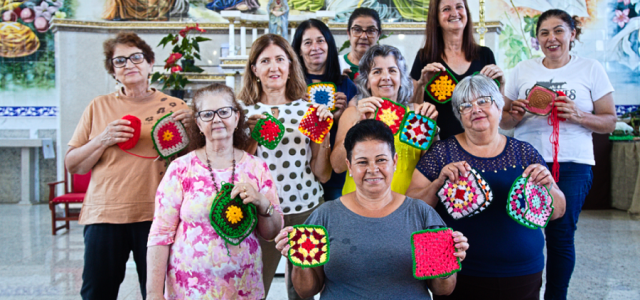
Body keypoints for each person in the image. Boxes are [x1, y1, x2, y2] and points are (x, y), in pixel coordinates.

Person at [406, 74, 567, 300]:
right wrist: (437, 184)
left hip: (522, 271)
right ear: (459, 114)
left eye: (484, 101)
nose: (476, 109)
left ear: (500, 107)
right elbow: (412, 208)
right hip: (458, 272)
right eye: (466, 105)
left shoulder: (524, 152)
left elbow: (558, 211)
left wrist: (548, 186)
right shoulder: (441, 153)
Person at [274, 119, 469, 299]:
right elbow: (306, 290)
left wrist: (450, 261)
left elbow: (443, 289)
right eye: (362, 162)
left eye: (381, 160)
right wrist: (298, 259)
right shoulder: (325, 215)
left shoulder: (421, 213)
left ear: (394, 162)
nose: (373, 169)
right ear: (349, 167)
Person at [64, 32, 192, 299]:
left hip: (159, 216)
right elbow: (74, 165)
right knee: (97, 291)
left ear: (150, 63)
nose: (129, 64)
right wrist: (103, 139)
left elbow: (193, 162)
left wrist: (194, 126)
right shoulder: (98, 106)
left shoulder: (176, 106)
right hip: (104, 215)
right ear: (113, 71)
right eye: (119, 61)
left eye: (136, 57)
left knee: (159, 292)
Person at [500, 9, 616, 300]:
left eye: (558, 31)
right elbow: (503, 122)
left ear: (572, 34)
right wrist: (515, 113)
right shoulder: (522, 70)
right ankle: (523, 292)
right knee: (521, 232)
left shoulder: (590, 69)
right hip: (525, 162)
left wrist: (579, 116)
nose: (551, 38)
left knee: (560, 235)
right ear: (537, 38)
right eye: (544, 33)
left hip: (573, 164)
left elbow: (609, 121)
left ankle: (556, 296)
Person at [146, 84, 284, 299]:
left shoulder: (257, 167)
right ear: (199, 123)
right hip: (189, 289)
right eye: (208, 114)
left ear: (236, 117)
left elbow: (271, 233)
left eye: (224, 111)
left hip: (243, 287)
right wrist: (154, 293)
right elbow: (160, 234)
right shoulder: (181, 168)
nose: (217, 119)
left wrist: (261, 202)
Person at [237, 33, 334, 299]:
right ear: (254, 69)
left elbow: (322, 174)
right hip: (260, 212)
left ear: (291, 65)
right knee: (254, 287)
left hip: (306, 209)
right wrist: (251, 137)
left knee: (304, 290)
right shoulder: (241, 112)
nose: (274, 67)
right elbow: (235, 169)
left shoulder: (309, 110)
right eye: (265, 60)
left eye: (280, 59)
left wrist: (323, 135)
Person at [331, 44, 438, 195]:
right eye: (377, 71)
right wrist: (357, 125)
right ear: (367, 81)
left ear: (401, 79)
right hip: (358, 207)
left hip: (404, 205)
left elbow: (431, 167)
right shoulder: (353, 113)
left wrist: (434, 130)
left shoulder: (415, 113)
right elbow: (337, 166)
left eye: (393, 71)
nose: (386, 77)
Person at [410, 0, 503, 140]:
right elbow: (413, 110)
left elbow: (497, 107)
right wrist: (422, 84)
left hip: (479, 144)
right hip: (438, 145)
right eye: (446, 9)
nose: (455, 13)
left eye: (459, 7)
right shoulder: (425, 57)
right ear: (436, 18)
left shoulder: (485, 54)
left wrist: (502, 83)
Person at [291, 19, 358, 200]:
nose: (315, 47)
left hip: (338, 177)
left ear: (329, 44)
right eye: (308, 42)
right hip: (298, 175)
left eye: (321, 40)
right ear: (298, 49)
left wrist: (339, 118)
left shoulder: (345, 84)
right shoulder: (290, 86)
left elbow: (356, 130)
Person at [338, 8, 382, 81]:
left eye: (371, 30)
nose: (363, 36)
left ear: (378, 35)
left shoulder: (385, 66)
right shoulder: (336, 63)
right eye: (357, 30)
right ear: (349, 33)